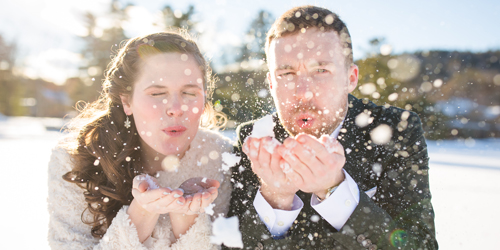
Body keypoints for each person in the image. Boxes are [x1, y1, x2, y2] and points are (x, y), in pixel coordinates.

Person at [226, 5, 438, 249]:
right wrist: (275, 199)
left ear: (351, 78)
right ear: (272, 84)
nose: (303, 92)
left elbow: (420, 245)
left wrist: (336, 191)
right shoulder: (256, 139)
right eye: (287, 73)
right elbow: (230, 243)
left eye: (321, 70)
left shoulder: (396, 130)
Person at [48, 30, 234, 249]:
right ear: (126, 101)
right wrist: (142, 214)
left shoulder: (219, 157)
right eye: (157, 94)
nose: (176, 109)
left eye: (190, 93)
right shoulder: (75, 161)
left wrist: (188, 219)